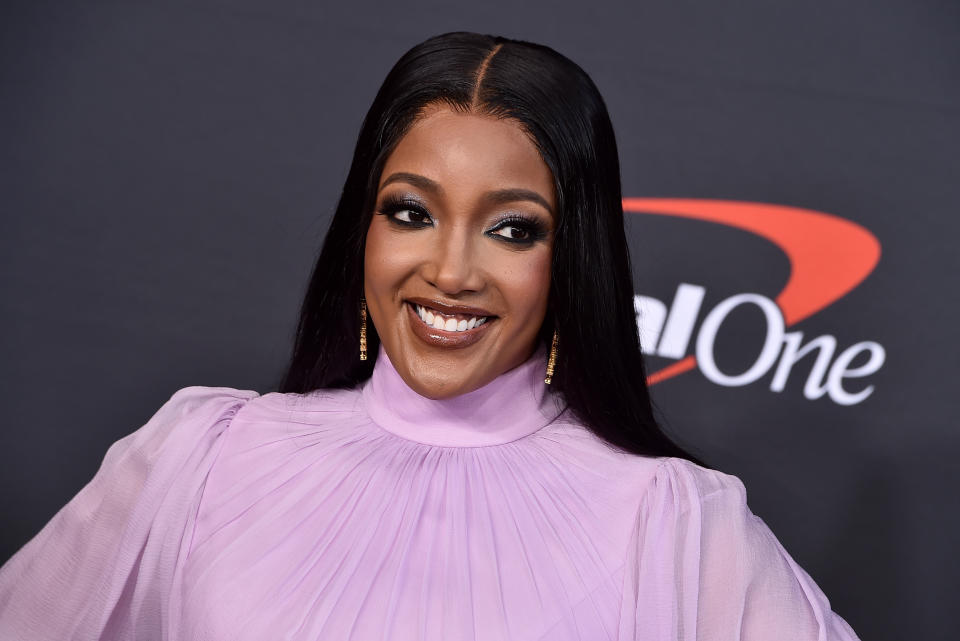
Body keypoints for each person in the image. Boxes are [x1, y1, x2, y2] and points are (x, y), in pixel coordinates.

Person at [0, 31, 860, 640]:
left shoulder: (673, 525)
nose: (450, 270)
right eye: (410, 211)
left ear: (574, 258)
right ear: (362, 229)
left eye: (513, 228)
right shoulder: (199, 456)